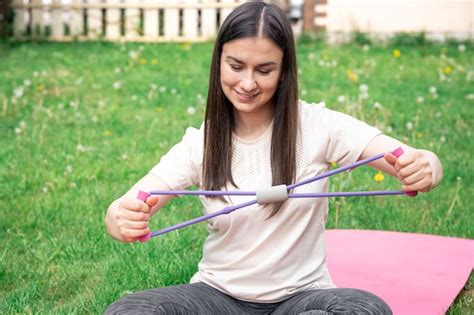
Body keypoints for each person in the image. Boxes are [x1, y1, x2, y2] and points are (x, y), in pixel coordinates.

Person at [104, 1, 443, 314]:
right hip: (218, 297)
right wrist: (122, 218)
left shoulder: (318, 125)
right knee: (127, 311)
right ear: (219, 61)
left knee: (364, 309)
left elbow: (411, 159)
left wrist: (426, 166)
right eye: (236, 66)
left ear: (284, 71)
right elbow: (127, 205)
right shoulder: (201, 143)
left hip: (302, 298)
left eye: (264, 70)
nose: (247, 83)